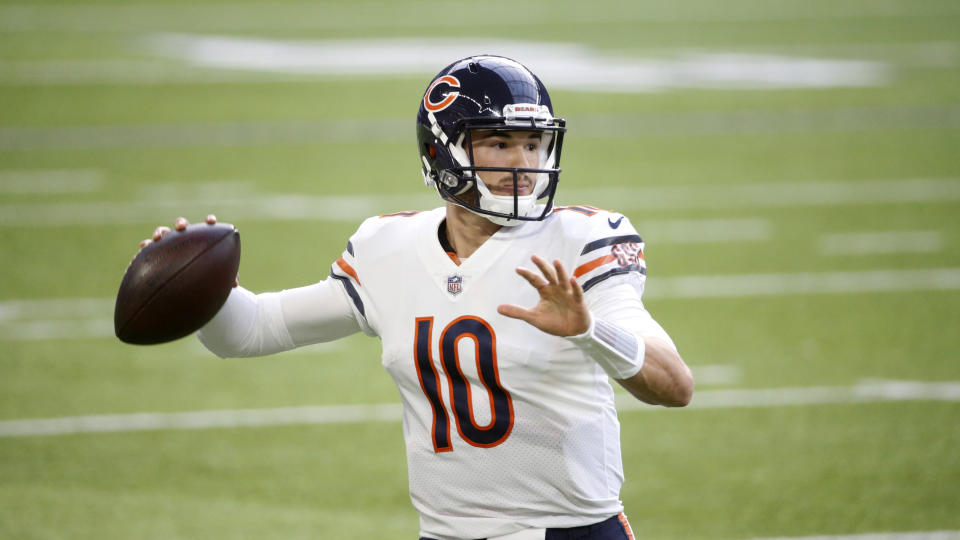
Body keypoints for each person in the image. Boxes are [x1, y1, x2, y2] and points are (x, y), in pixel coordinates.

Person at [143, 55, 693, 540]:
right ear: (442, 150)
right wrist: (200, 287)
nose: (524, 164)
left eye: (534, 143)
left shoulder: (579, 242)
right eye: (499, 143)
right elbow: (249, 331)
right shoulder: (389, 248)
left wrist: (589, 330)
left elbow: (675, 385)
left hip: (567, 531)